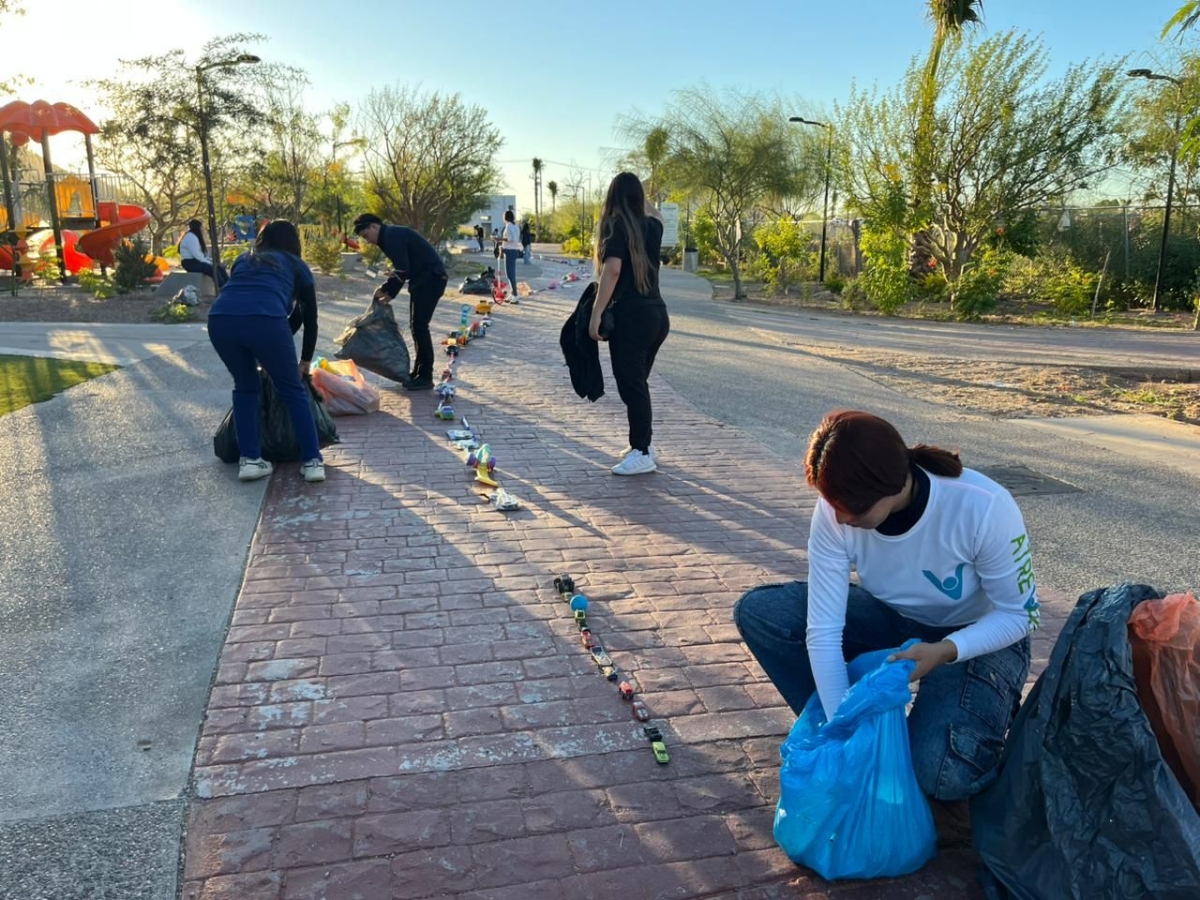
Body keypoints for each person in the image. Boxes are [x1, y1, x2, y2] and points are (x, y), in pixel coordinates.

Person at [734, 410, 1039, 805]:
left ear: (892, 486)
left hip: (976, 636)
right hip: (894, 620)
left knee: (940, 775)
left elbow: (1020, 614)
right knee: (764, 614)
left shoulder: (983, 506)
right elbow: (823, 632)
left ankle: (975, 713)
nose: (841, 518)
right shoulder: (835, 512)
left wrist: (946, 651)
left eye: (854, 510)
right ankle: (864, 730)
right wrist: (845, 729)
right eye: (832, 504)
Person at [207, 220, 324, 483]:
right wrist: (304, 361)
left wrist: (271, 351)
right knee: (292, 390)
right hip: (267, 321)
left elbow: (251, 303)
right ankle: (312, 462)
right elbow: (309, 318)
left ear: (263, 238)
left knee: (245, 386)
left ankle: (250, 460)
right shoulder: (297, 265)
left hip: (220, 320)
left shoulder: (244, 259)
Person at [588, 172, 669, 476]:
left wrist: (596, 313)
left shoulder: (617, 225)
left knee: (632, 386)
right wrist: (640, 198)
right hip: (657, 316)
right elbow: (658, 214)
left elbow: (612, 270)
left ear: (612, 196)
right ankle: (644, 443)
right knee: (637, 385)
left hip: (632, 318)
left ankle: (642, 451)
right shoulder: (652, 226)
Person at [352, 213, 448, 390]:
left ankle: (425, 376)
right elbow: (403, 268)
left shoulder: (390, 236)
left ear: (374, 226)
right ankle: (419, 372)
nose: (368, 241)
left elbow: (403, 270)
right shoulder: (389, 236)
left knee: (420, 327)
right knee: (417, 327)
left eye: (366, 236)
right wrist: (387, 288)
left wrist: (389, 291)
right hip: (424, 280)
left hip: (431, 280)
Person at [178, 219, 228, 290]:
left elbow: (202, 255)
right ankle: (223, 288)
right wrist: (209, 263)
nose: (203, 230)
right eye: (202, 228)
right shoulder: (190, 237)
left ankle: (229, 286)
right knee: (212, 269)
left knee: (220, 268)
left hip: (196, 261)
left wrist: (210, 261)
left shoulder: (194, 237)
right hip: (189, 263)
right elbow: (197, 255)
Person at [500, 210, 521, 297]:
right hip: (514, 250)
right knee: (511, 274)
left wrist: (499, 239)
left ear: (505, 217)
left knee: (510, 275)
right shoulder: (516, 226)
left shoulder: (509, 226)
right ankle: (513, 293)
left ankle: (515, 295)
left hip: (509, 251)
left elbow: (511, 239)